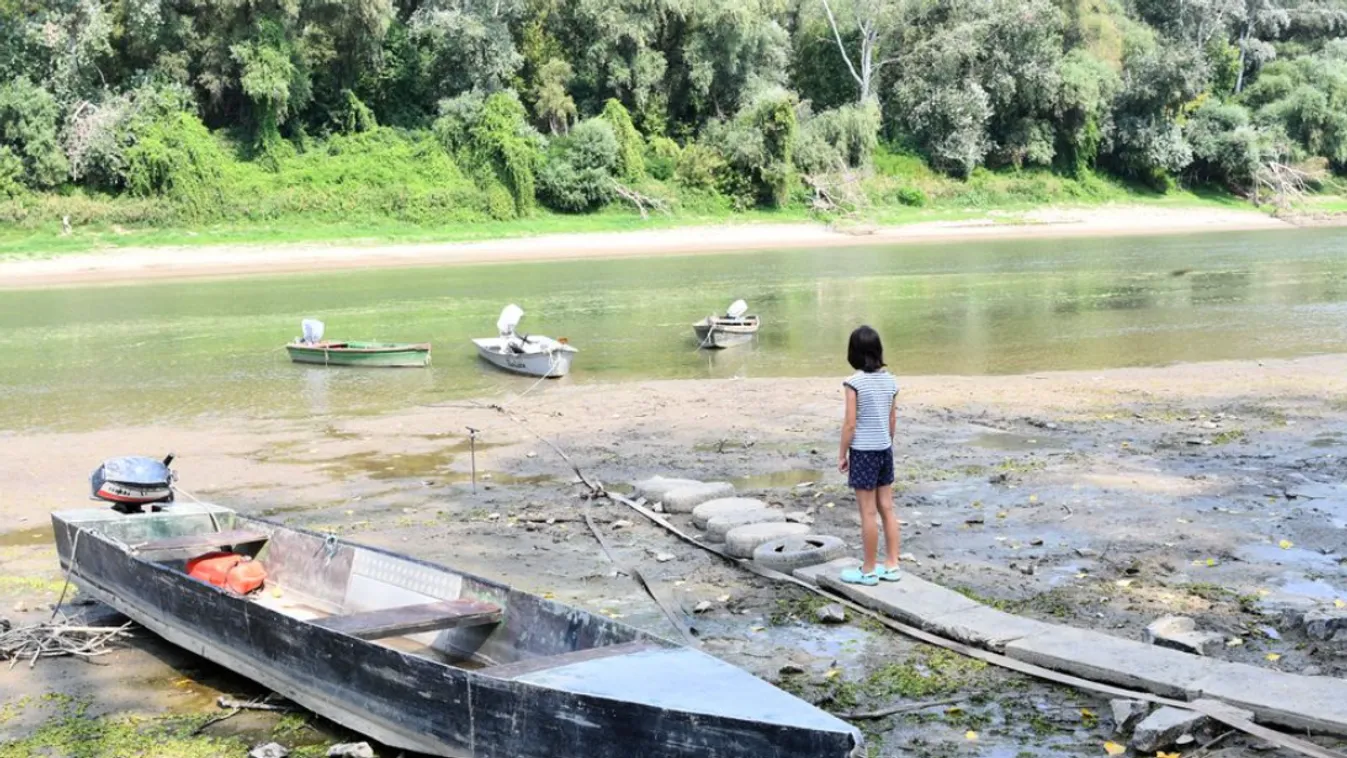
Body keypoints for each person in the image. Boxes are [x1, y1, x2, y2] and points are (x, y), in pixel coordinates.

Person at [837, 325, 902, 586]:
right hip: (885, 449)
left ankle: (868, 570)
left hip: (863, 452)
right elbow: (892, 418)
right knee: (887, 508)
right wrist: (887, 442)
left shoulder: (854, 383)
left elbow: (850, 424)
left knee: (867, 513)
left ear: (853, 352)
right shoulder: (890, 380)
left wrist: (842, 453)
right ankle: (892, 565)